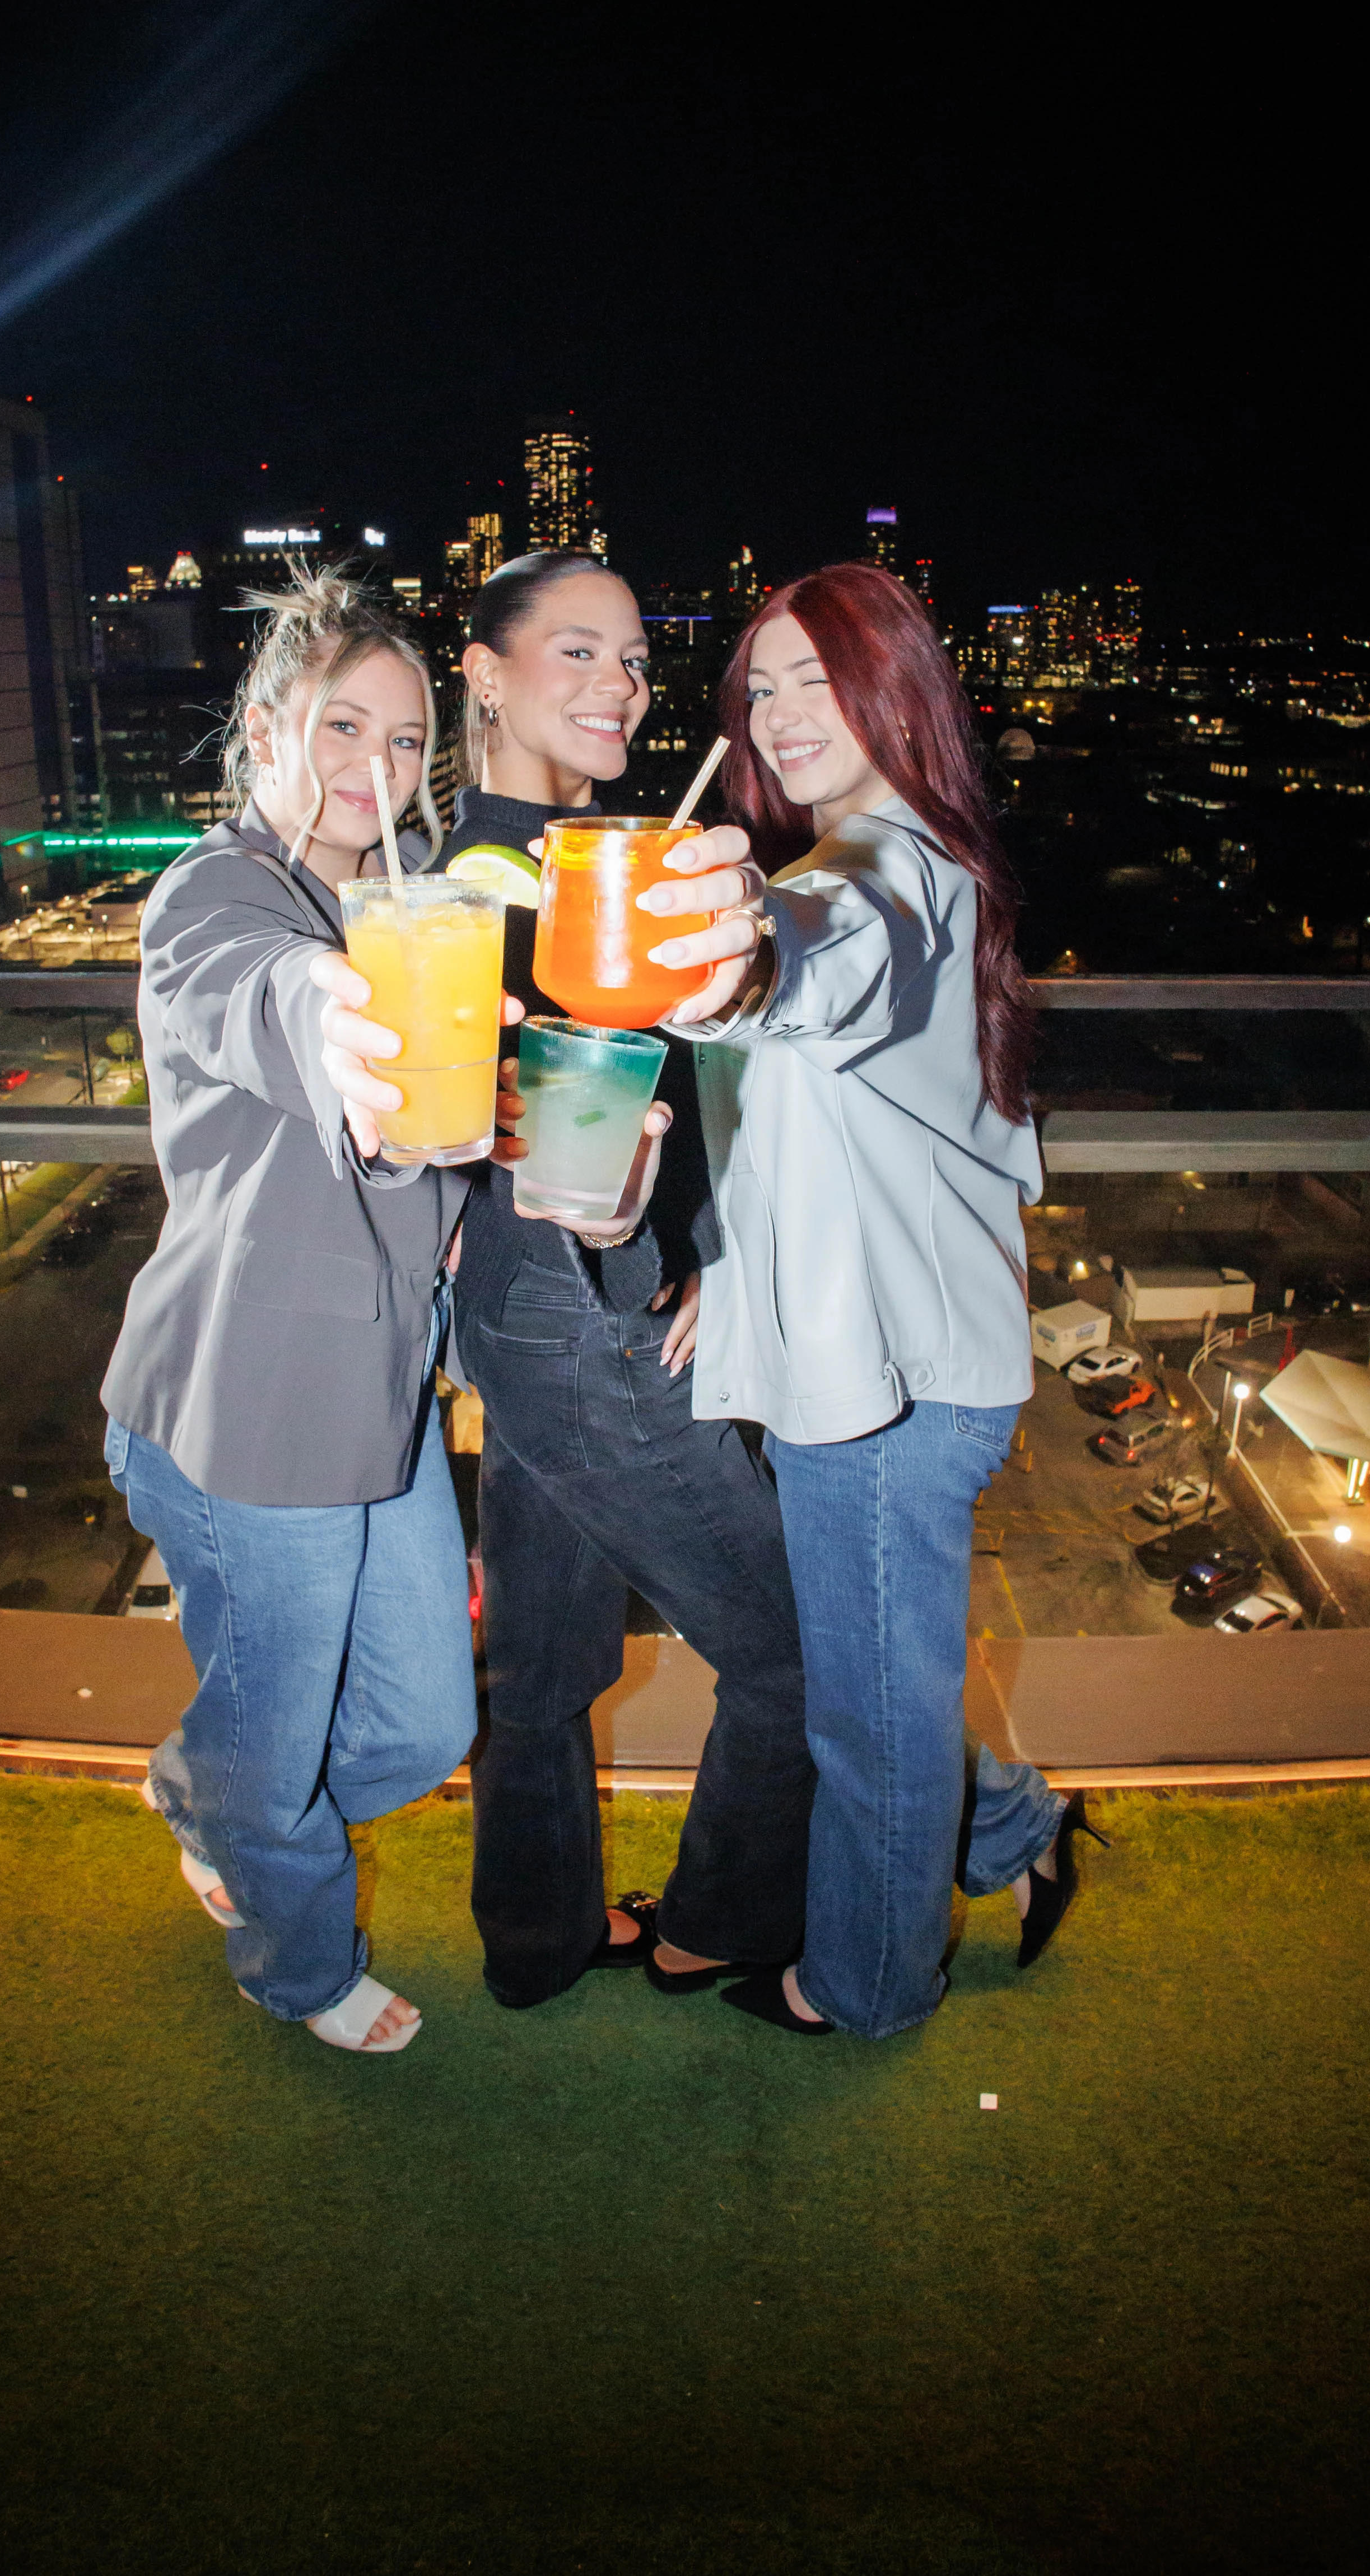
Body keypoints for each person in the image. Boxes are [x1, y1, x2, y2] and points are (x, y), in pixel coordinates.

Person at [323, 547, 815, 2011]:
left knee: (539, 1681)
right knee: (796, 1658)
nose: (623, 685)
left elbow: (681, 1097)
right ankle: (720, 1920)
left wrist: (706, 1248)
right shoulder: (494, 873)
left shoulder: (604, 855)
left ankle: (537, 1944)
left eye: (635, 660)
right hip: (577, 1324)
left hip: (536, 1316)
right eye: (580, 653)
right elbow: (545, 1149)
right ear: (481, 671)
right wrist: (630, 1241)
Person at [640, 560, 1101, 2039]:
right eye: (759, 686)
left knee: (869, 1718)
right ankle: (1018, 1835)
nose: (778, 714)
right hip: (864, 1361)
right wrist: (727, 1268)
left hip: (893, 1393)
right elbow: (800, 1122)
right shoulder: (858, 856)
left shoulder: (882, 875)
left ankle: (865, 1984)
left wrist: (735, 948)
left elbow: (819, 963)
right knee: (877, 1678)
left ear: (899, 692)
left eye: (816, 680)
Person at [100, 563, 482, 2057]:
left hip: (375, 1406)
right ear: (264, 728)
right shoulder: (226, 892)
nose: (374, 771)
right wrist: (330, 1007)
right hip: (240, 1412)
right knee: (276, 1760)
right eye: (340, 729)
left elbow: (446, 1148)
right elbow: (240, 990)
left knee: (428, 1726)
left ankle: (211, 1789)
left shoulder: (411, 900)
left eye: (403, 742)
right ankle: (299, 1958)